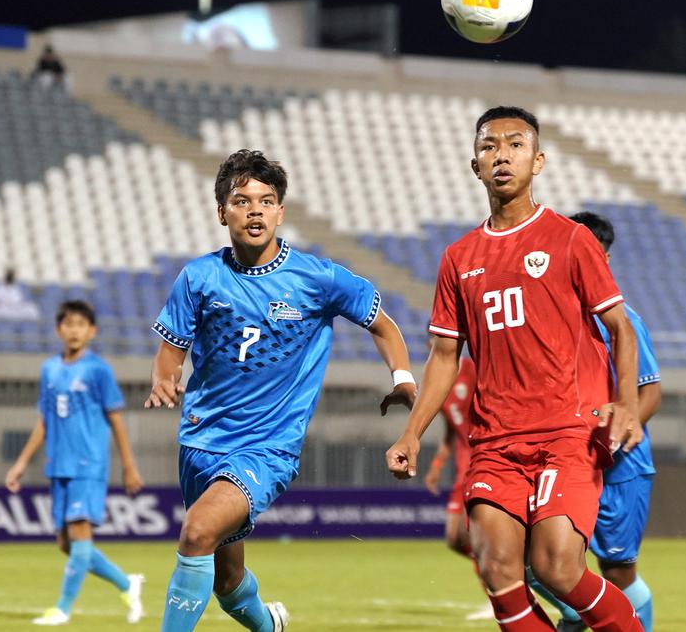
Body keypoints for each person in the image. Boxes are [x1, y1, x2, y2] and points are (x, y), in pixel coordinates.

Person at [386, 106, 646, 632]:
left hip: (566, 434)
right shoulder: (459, 258)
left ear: (539, 160)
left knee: (556, 567)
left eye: (515, 144)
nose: (501, 154)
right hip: (495, 441)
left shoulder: (571, 240)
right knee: (499, 573)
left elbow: (620, 327)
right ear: (474, 165)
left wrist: (629, 406)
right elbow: (443, 357)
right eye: (489, 146)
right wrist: (412, 432)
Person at [146, 149, 416, 632]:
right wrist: (165, 378)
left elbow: (383, 324)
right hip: (200, 442)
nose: (255, 210)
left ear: (280, 212)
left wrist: (402, 377)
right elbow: (171, 349)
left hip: (267, 446)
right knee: (227, 584)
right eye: (241, 200)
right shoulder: (199, 277)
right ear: (221, 212)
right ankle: (271, 626)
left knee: (196, 531)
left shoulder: (317, 278)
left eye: (266, 201)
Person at [529, 211, 662, 632]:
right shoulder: (555, 319)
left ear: (599, 258)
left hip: (621, 470)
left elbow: (650, 393)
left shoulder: (624, 323)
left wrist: (615, 438)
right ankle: (575, 612)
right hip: (568, 462)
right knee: (538, 563)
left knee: (617, 573)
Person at [5, 300, 146, 626]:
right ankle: (128, 584)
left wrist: (128, 464)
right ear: (59, 330)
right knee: (67, 544)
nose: (74, 331)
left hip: (89, 463)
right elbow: (44, 420)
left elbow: (116, 417)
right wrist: (21, 463)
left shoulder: (99, 370)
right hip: (59, 464)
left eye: (81, 325)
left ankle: (62, 608)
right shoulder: (49, 369)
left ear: (91, 331)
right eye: (69, 324)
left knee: (81, 533)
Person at [423, 351, 493, 621]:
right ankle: (505, 574)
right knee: (455, 539)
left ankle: (499, 589)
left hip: (483, 462)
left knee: (476, 536)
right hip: (462, 469)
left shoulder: (472, 370)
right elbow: (450, 429)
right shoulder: (438, 376)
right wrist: (437, 465)